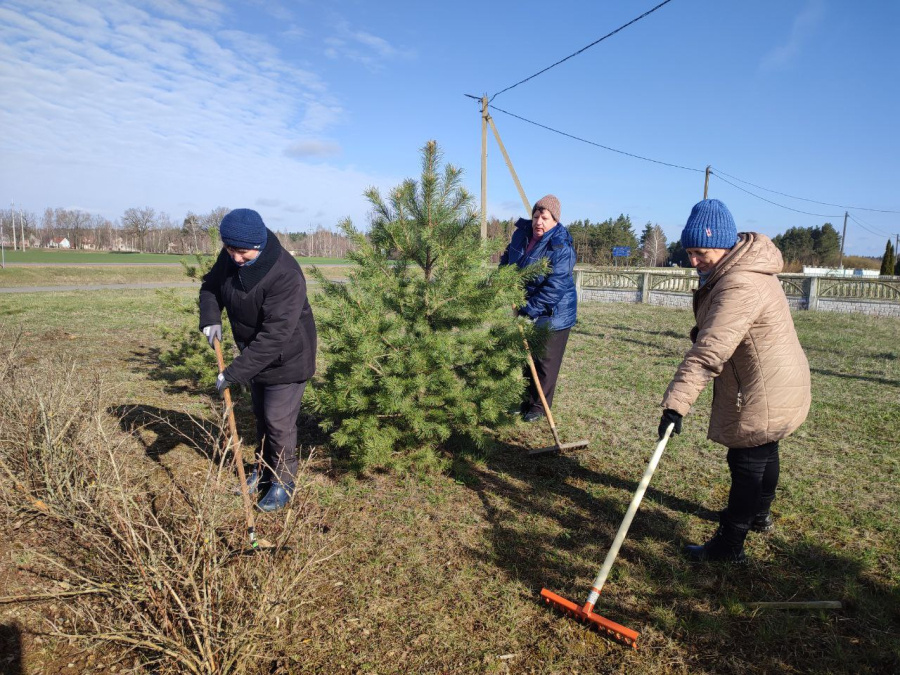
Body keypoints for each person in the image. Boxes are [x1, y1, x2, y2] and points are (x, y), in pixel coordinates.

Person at [658, 199, 810, 562]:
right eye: (689, 252)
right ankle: (760, 515)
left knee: (747, 461)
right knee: (764, 448)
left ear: (724, 244)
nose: (693, 261)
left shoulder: (739, 283)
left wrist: (676, 405)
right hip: (779, 378)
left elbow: (710, 351)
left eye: (701, 252)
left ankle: (730, 545)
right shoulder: (740, 269)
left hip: (763, 385)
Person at [199, 208, 317, 512]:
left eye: (243, 252)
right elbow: (211, 287)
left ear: (260, 243)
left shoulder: (285, 274)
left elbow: (275, 336)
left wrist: (233, 372)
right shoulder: (230, 256)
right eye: (230, 249)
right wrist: (210, 318)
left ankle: (283, 480)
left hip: (287, 358)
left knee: (279, 421)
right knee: (262, 416)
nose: (236, 258)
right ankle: (264, 470)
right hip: (255, 353)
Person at [500, 194, 578, 422]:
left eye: (545, 217)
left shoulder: (561, 246)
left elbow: (556, 286)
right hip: (526, 305)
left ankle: (539, 406)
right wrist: (503, 279)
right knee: (529, 356)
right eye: (536, 216)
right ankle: (526, 400)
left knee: (545, 361)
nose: (538, 222)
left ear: (555, 220)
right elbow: (507, 259)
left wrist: (529, 311)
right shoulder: (521, 234)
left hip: (554, 312)